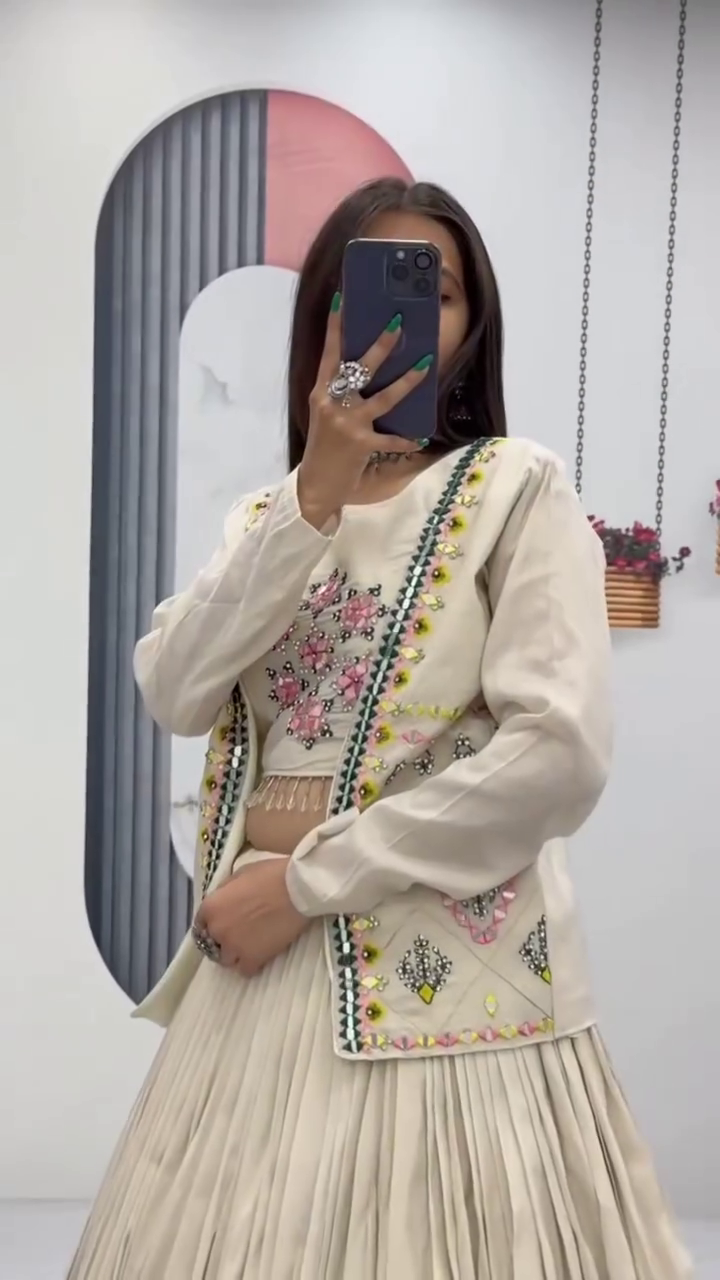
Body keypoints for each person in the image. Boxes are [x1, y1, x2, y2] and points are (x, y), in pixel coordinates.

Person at [69, 178, 691, 1279]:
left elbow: (557, 754)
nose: (405, 320)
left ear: (472, 324)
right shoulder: (268, 518)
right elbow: (175, 688)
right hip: (257, 976)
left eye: (436, 293)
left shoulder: (514, 488)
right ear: (323, 318)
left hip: (446, 985)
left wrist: (308, 882)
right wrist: (314, 490)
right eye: (368, 291)